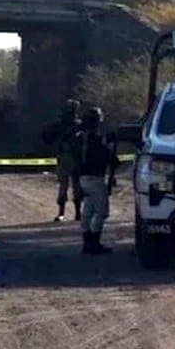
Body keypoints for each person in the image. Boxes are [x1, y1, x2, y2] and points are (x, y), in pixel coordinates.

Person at [77, 106, 118, 255]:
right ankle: (94, 243)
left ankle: (87, 243)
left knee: (88, 210)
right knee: (102, 212)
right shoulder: (97, 140)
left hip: (84, 179)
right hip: (95, 179)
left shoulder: (81, 138)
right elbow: (109, 159)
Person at [41, 99, 83, 222]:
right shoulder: (69, 125)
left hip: (71, 157)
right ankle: (72, 213)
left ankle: (68, 213)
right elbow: (48, 138)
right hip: (68, 157)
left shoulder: (75, 125)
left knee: (69, 186)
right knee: (70, 186)